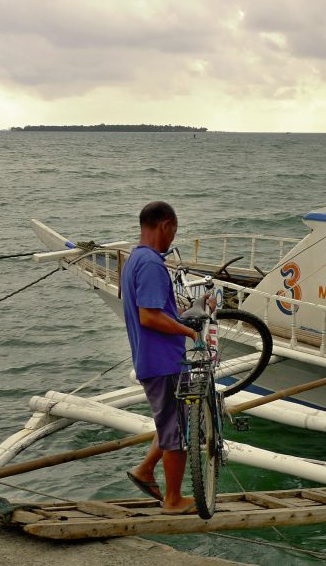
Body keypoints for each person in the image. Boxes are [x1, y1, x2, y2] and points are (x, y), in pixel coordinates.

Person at [123, 201, 199, 515]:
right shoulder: (153, 264)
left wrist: (181, 315)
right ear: (165, 225)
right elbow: (150, 316)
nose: (172, 240)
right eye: (173, 232)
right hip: (164, 361)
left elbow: (155, 310)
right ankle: (173, 500)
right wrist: (189, 331)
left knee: (172, 421)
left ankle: (145, 470)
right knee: (176, 433)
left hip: (150, 358)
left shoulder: (134, 259)